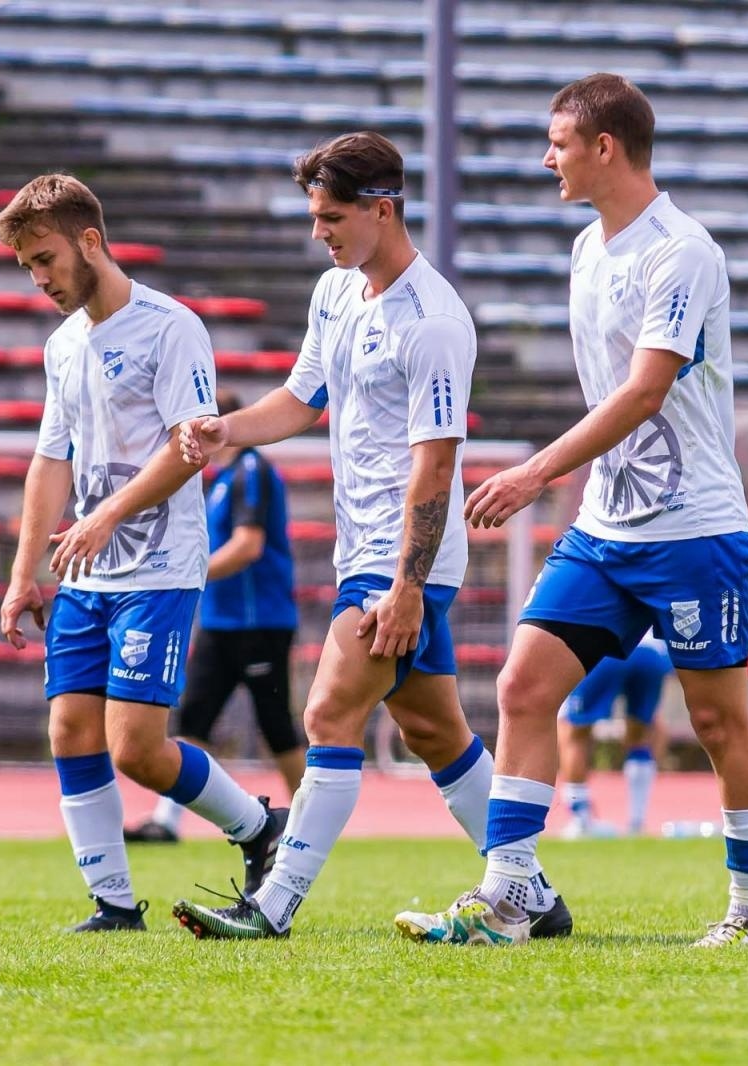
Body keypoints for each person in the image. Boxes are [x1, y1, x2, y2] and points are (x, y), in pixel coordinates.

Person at [395, 74, 748, 949]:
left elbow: (646, 392)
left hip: (695, 529)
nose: (548, 158)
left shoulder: (681, 251)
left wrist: (534, 472)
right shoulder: (586, 250)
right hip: (607, 530)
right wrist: (575, 486)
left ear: (605, 147)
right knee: (524, 686)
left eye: (559, 142)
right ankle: (509, 895)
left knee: (719, 721)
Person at [170, 131, 570, 940]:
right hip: (367, 552)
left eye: (331, 218)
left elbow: (435, 466)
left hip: (403, 559)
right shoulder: (335, 293)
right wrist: (227, 431)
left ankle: (271, 906)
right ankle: (531, 891)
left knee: (327, 715)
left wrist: (407, 586)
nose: (320, 233)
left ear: (381, 209)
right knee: (434, 731)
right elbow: (297, 399)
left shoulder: (435, 321)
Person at [0, 174, 285, 933]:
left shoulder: (171, 327)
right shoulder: (63, 346)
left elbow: (191, 449)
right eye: (28, 266)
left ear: (91, 242)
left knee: (137, 749)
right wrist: (26, 571)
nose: (40, 279)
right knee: (69, 731)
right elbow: (49, 463)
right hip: (86, 571)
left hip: (158, 566)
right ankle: (114, 905)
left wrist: (106, 517)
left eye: (47, 259)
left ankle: (257, 826)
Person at [124, 388, 305, 843]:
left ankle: (310, 823)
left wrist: (192, 573)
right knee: (194, 719)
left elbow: (249, 545)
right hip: (222, 623)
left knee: (277, 726)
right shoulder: (222, 478)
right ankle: (166, 821)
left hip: (259, 622)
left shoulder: (251, 472)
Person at [558, 631, 671, 838]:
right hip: (652, 653)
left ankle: (580, 821)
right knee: (640, 734)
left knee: (574, 731)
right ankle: (637, 823)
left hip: (606, 646)